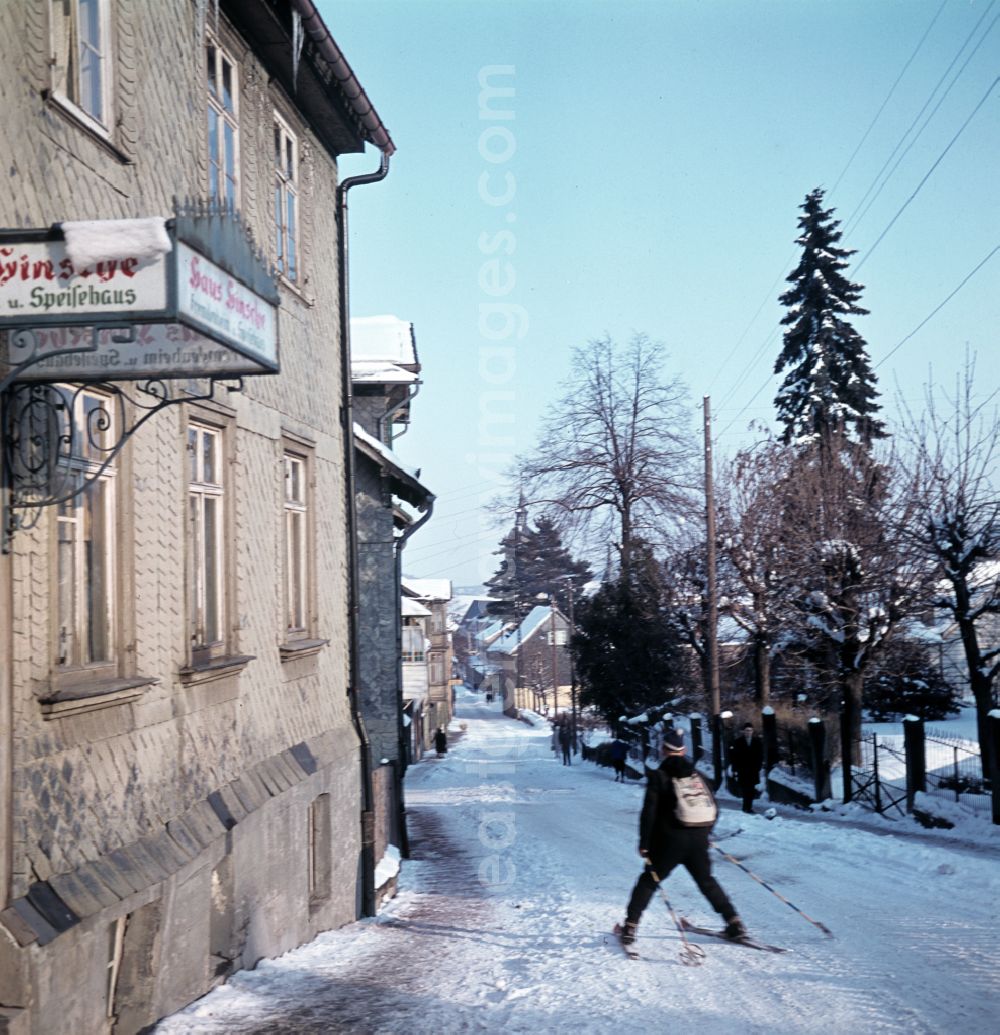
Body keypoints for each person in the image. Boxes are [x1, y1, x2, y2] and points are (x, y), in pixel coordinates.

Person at [617, 728, 745, 948]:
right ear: (683, 749)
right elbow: (714, 806)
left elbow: (649, 812)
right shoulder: (698, 776)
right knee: (707, 882)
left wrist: (645, 844)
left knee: (649, 881)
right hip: (698, 840)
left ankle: (630, 927)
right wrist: (705, 833)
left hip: (669, 843)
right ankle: (734, 923)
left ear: (663, 750)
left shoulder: (659, 776)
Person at [729, 721, 764, 814]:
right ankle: (745, 807)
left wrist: (758, 767)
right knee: (745, 789)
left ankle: (749, 807)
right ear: (743, 731)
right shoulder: (738, 742)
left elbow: (760, 755)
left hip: (753, 770)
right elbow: (734, 757)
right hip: (743, 769)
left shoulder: (757, 742)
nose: (748, 732)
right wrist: (735, 769)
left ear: (752, 731)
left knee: (751, 789)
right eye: (746, 730)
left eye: (750, 730)